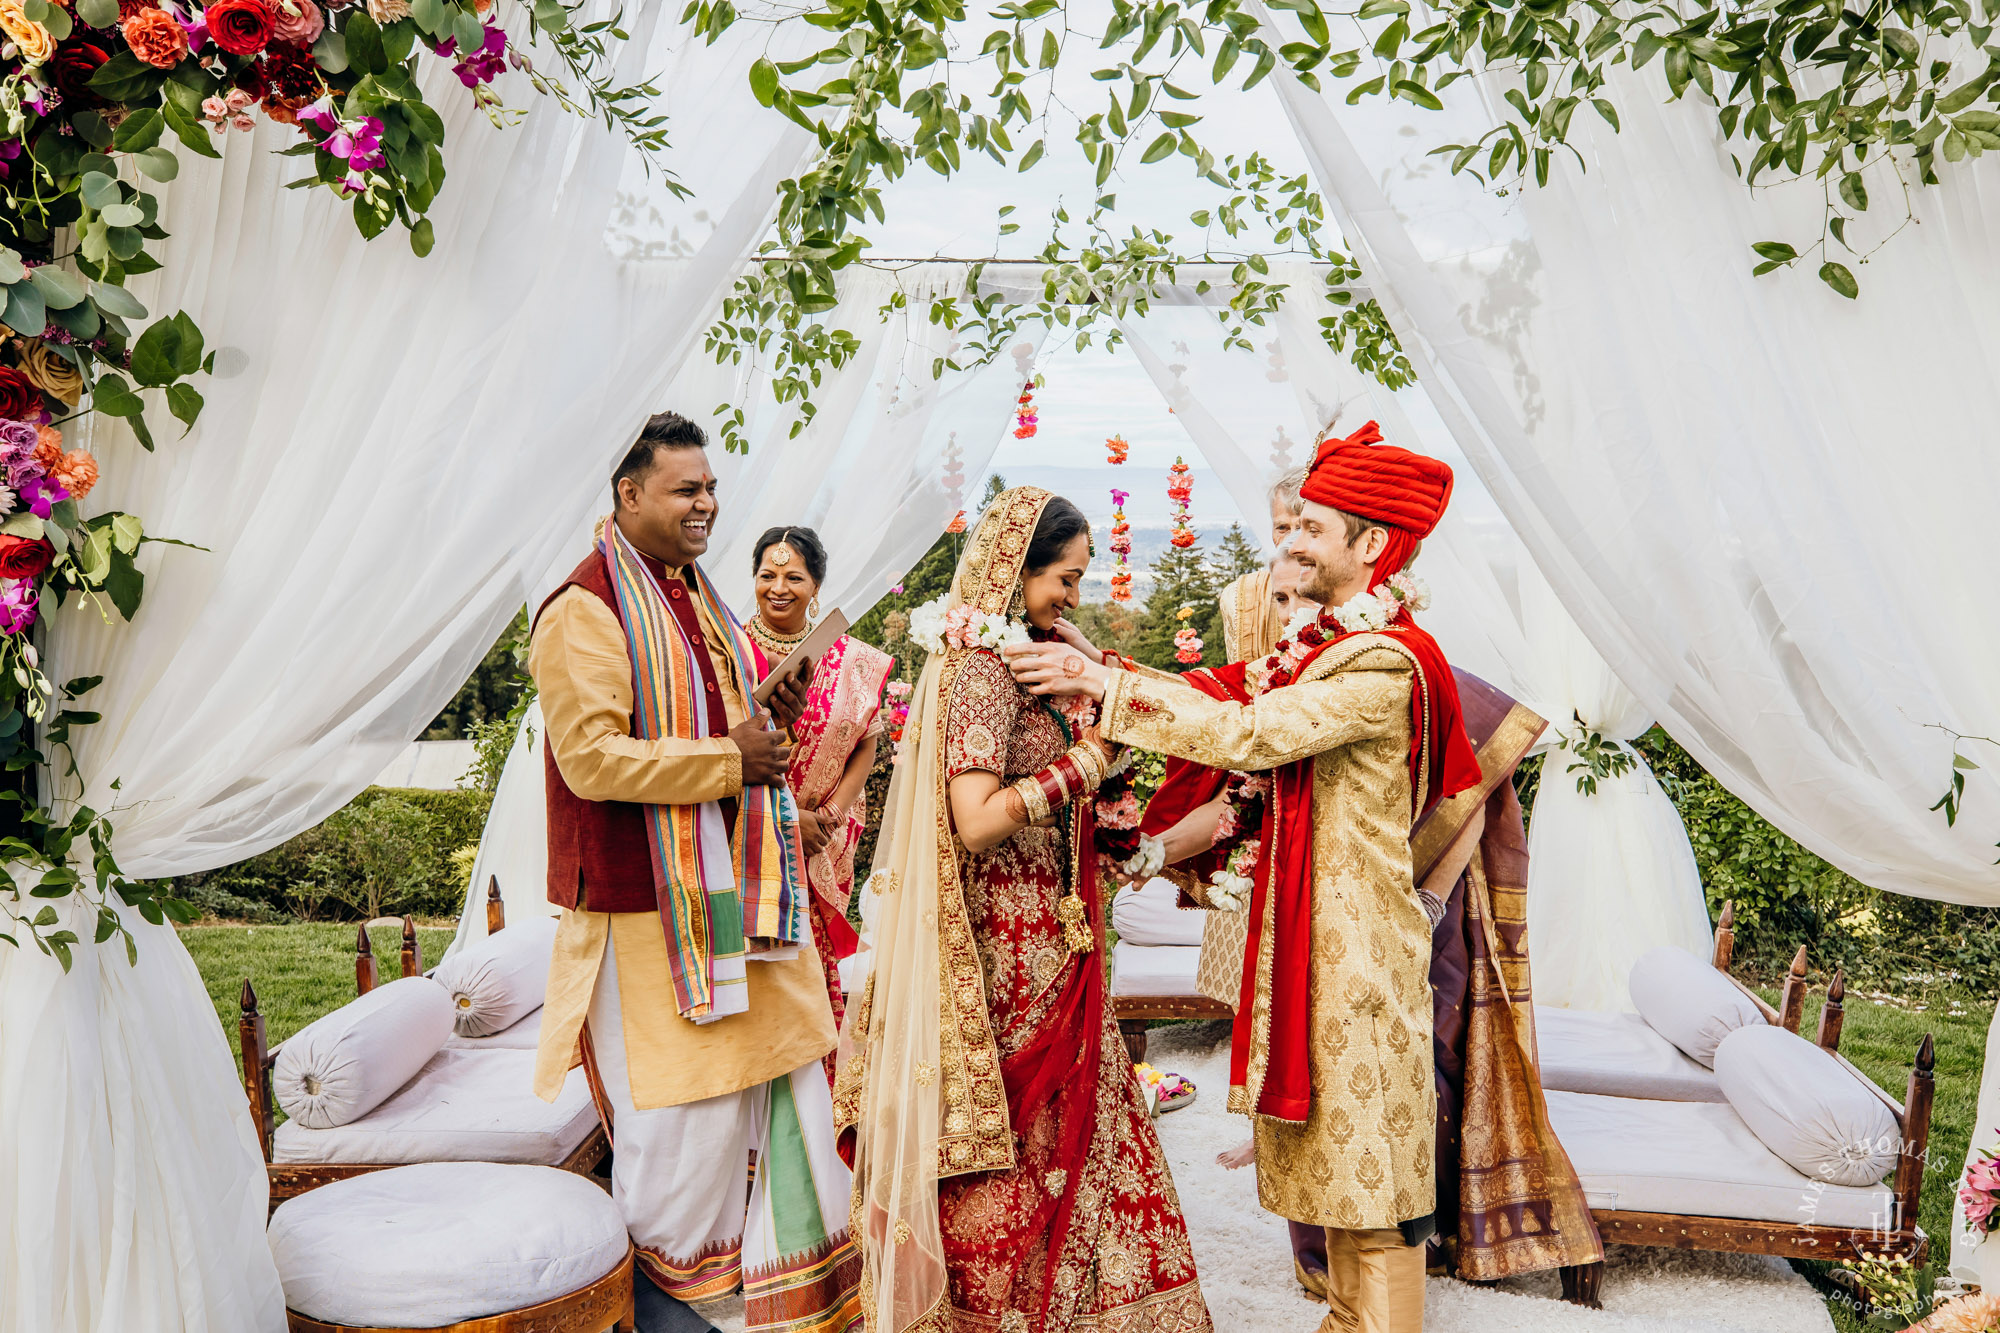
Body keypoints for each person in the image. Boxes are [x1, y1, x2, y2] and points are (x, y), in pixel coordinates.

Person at [1005, 422, 1484, 1333]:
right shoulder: (1325, 647)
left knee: (1373, 1184)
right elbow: (1228, 689)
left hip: (1358, 952)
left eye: (1312, 527)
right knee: (1343, 1180)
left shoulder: (1383, 660)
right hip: (1316, 942)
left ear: (1371, 545)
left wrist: (1095, 686)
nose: (1290, 541)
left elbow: (1247, 734)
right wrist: (1099, 663)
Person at [833, 487, 1211, 1333]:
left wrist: (1094, 695)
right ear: (1017, 569)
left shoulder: (1031, 663)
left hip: (1060, 943)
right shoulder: (976, 672)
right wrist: (1088, 759)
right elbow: (975, 821)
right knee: (1011, 1157)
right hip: (1002, 960)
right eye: (1064, 578)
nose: (1072, 596)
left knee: (1085, 1139)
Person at [529, 412, 860, 1332]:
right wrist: (730, 760)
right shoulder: (584, 608)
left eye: (711, 486)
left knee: (755, 1106)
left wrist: (765, 712)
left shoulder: (689, 592)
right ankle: (676, 1310)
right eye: (687, 488)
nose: (708, 502)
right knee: (679, 1139)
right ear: (628, 493)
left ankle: (763, 1302)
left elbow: (721, 717)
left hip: (721, 899)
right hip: (645, 915)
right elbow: (593, 758)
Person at [746, 525, 892, 1045]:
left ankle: (819, 1095)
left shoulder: (854, 659)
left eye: (793, 576)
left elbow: (866, 743)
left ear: (816, 587)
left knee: (814, 974)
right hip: (753, 831)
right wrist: (787, 820)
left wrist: (825, 820)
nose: (778, 588)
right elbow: (722, 748)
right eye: (767, 575)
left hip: (823, 840)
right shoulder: (732, 655)